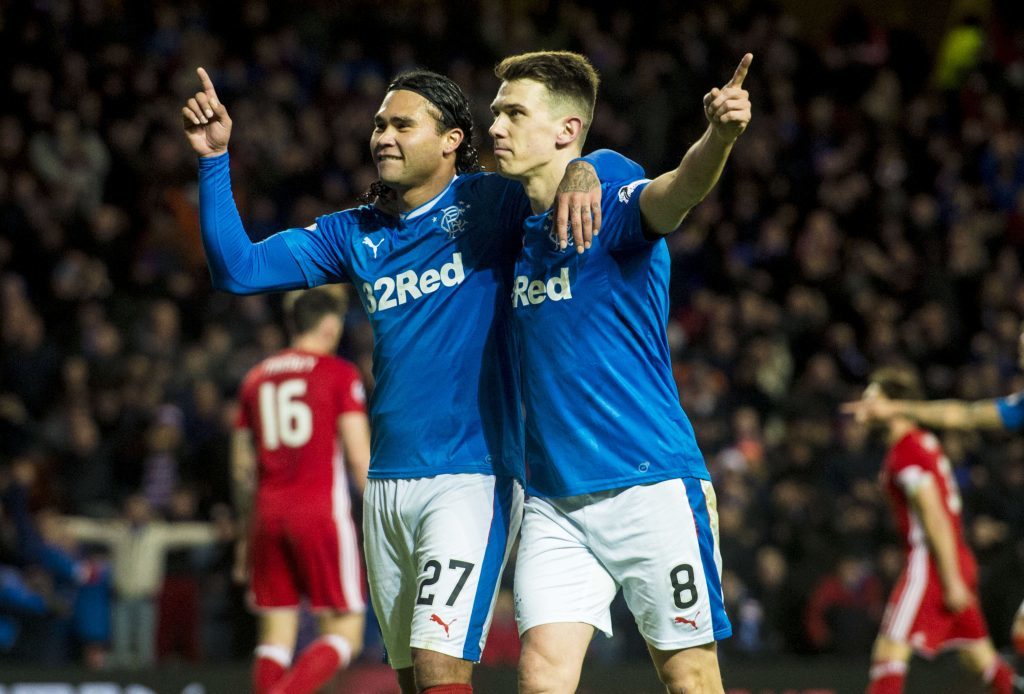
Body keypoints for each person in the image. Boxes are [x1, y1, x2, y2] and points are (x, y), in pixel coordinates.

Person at [182, 66, 640, 694]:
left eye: (402, 124)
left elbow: (601, 168)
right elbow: (238, 269)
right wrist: (214, 162)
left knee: (439, 663)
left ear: (452, 139)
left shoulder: (492, 203)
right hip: (386, 486)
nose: (383, 136)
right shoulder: (356, 231)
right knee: (412, 679)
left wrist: (591, 166)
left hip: (470, 474)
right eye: (378, 124)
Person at [487, 50, 750, 693]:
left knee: (688, 677)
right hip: (553, 499)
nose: (496, 126)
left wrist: (717, 137)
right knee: (540, 676)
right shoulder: (510, 231)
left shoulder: (617, 207)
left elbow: (679, 187)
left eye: (514, 112)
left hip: (650, 484)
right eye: (495, 112)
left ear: (567, 130)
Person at [842, 333, 1024, 658]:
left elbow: (932, 510)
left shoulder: (906, 451)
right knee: (1008, 642)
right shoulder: (1021, 405)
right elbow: (963, 415)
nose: (1020, 356)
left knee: (890, 652)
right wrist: (896, 408)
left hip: (932, 560)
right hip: (954, 554)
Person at [232, 287, 370, 694]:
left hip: (267, 514)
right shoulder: (339, 374)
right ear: (330, 325)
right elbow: (359, 460)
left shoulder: (255, 378)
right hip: (319, 514)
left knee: (276, 635)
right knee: (347, 633)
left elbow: (242, 469)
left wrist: (245, 533)